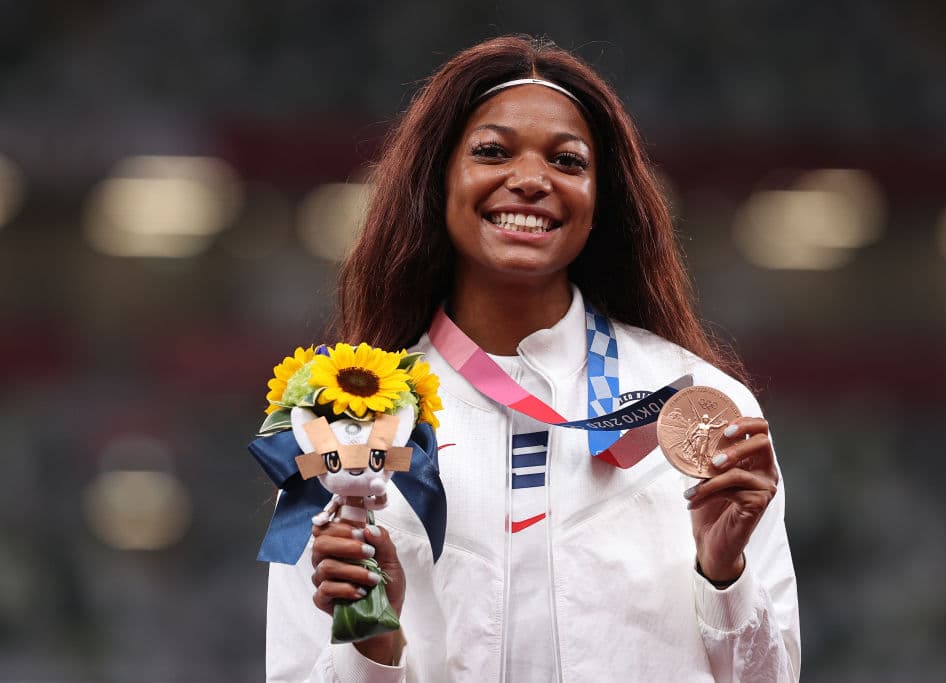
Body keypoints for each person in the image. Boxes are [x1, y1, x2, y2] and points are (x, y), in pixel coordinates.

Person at [266, 35, 800, 682]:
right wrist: (372, 637)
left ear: (601, 199)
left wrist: (724, 572)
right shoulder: (343, 422)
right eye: (491, 151)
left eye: (568, 161)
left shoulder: (698, 405)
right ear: (438, 179)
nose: (529, 179)